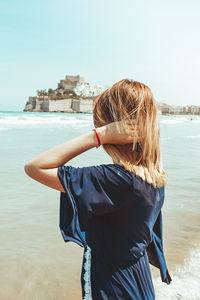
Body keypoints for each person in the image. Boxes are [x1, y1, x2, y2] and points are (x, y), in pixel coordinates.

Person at [24, 79, 172, 300]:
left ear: (115, 129)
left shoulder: (115, 180)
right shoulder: (154, 177)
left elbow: (35, 167)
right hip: (138, 280)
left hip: (112, 286)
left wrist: (97, 136)